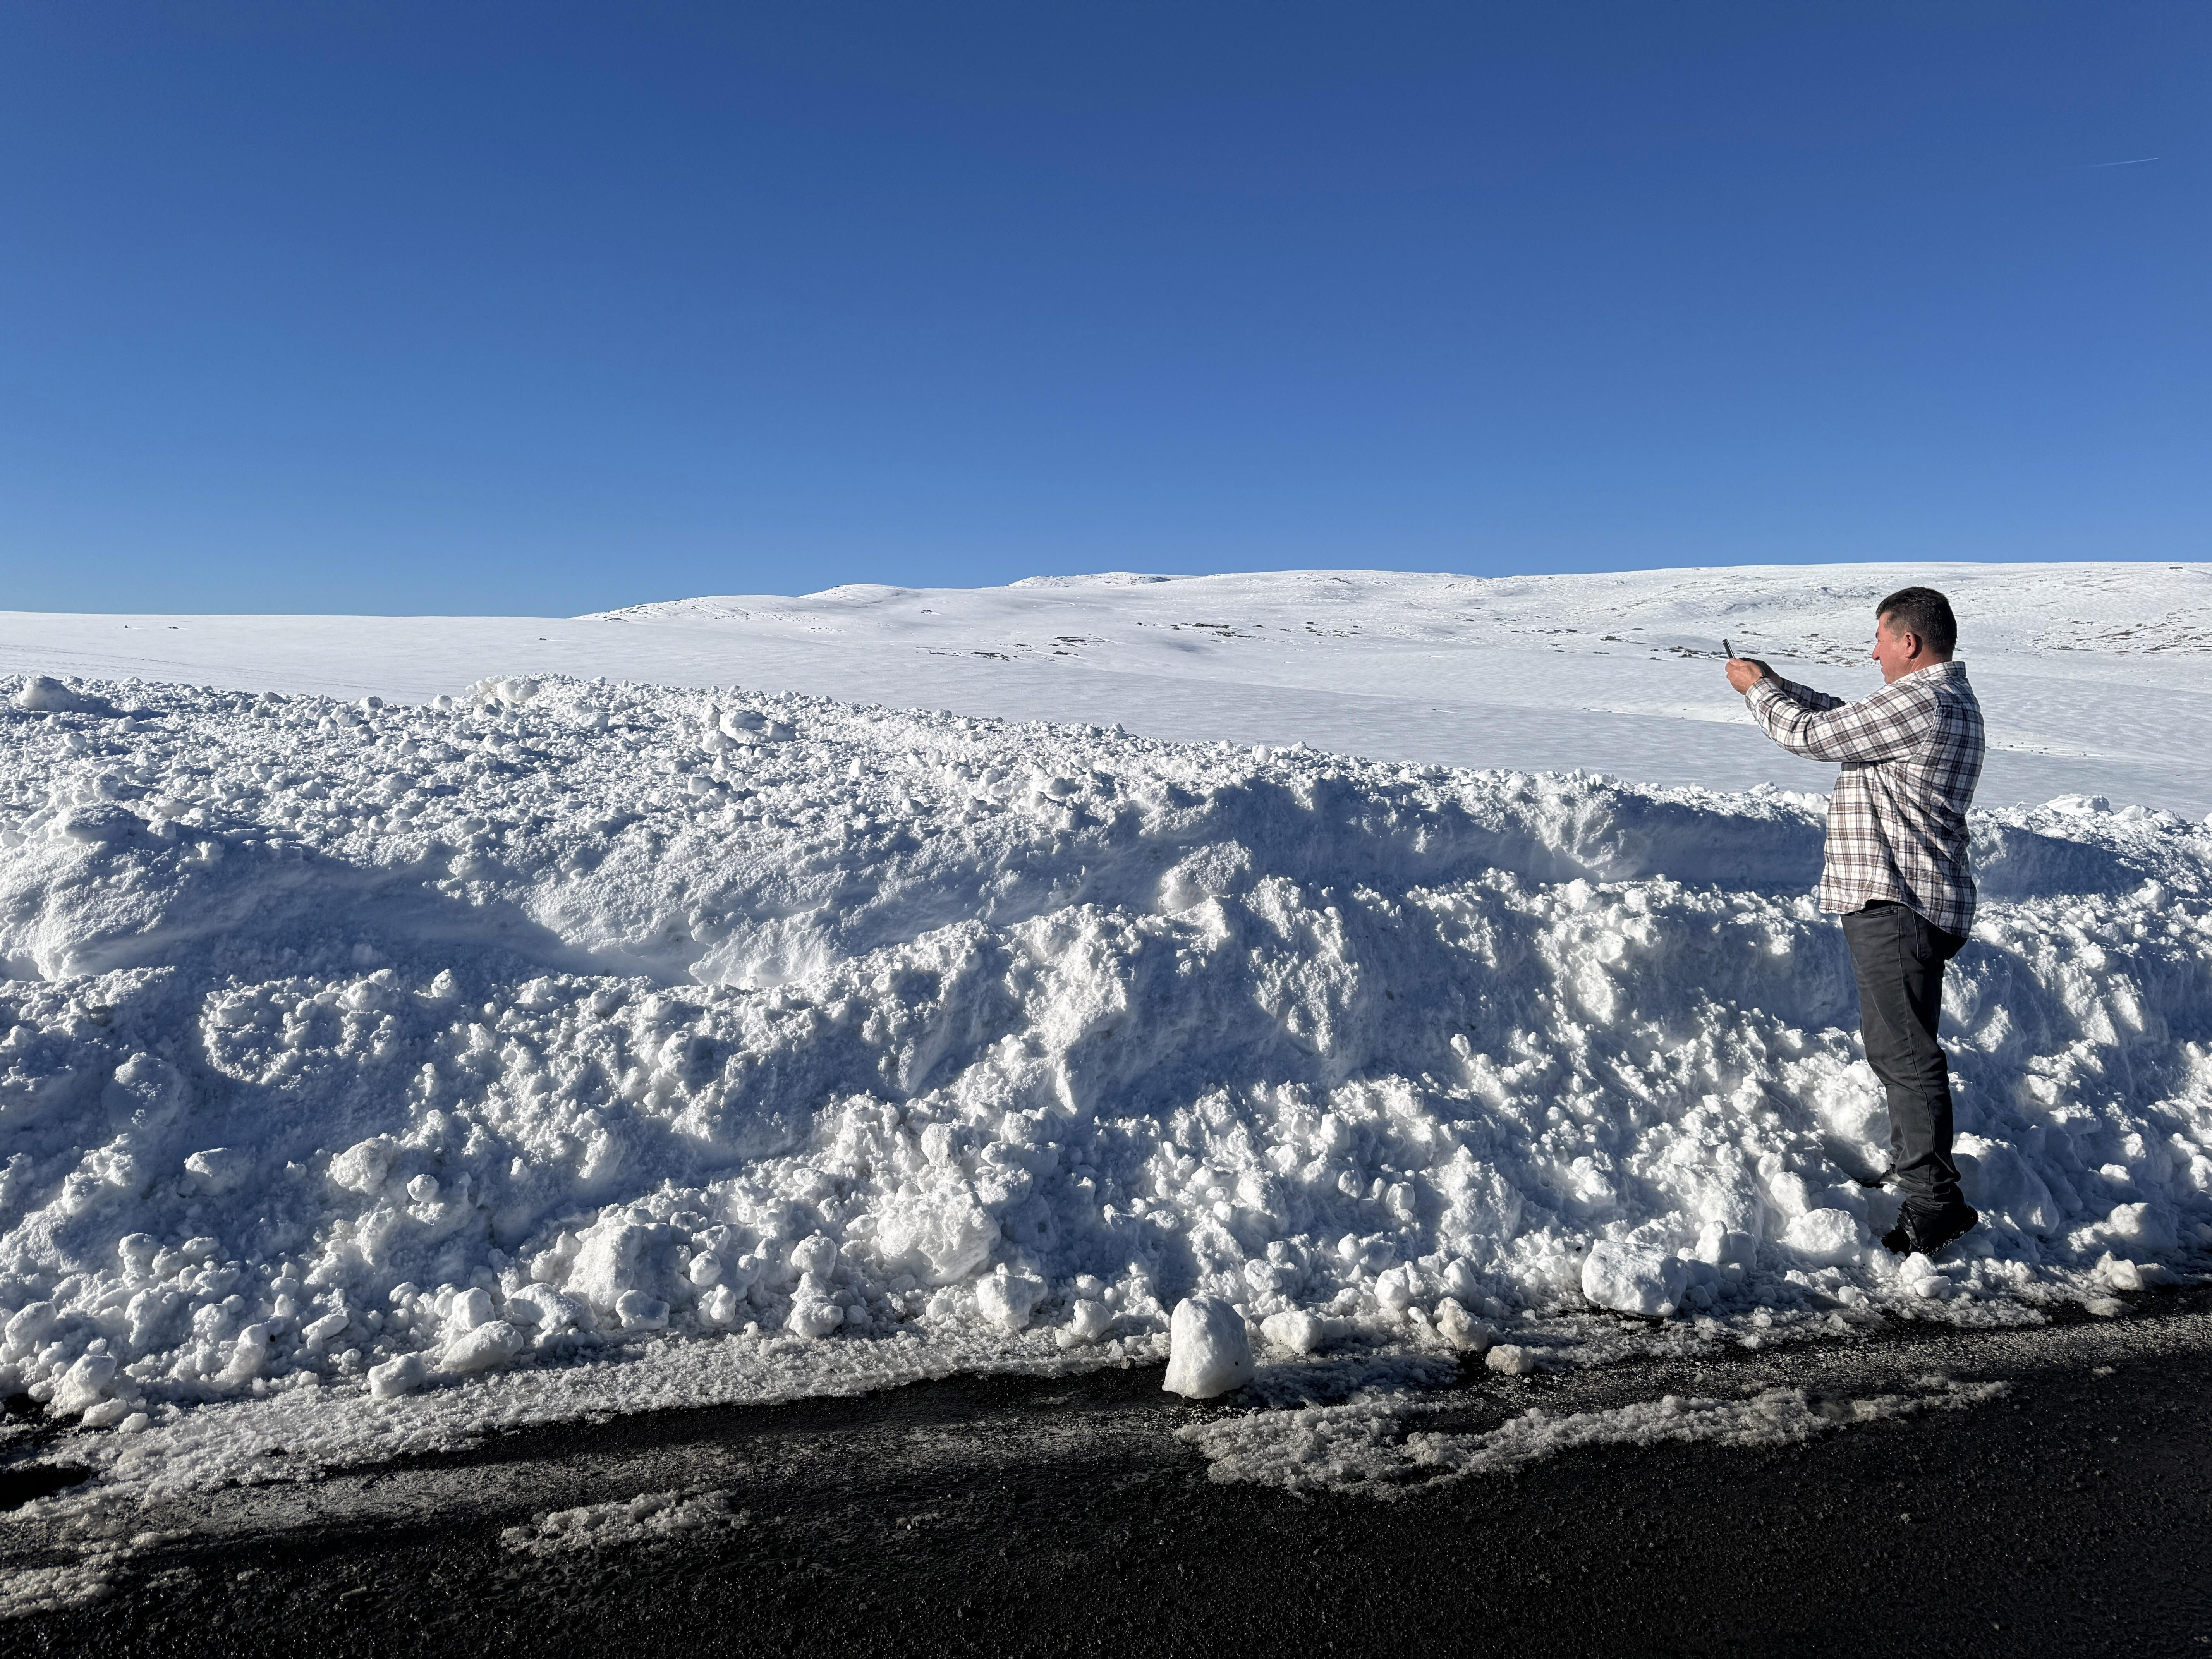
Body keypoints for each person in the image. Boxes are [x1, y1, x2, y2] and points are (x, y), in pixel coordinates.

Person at [1724, 586, 1986, 1258]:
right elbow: (1848, 718)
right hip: (1913, 898)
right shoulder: (1941, 700)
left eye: (1879, 639)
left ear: (1910, 642)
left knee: (1903, 1051)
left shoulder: (1923, 701)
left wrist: (1758, 693)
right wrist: (1780, 683)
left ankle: (1935, 1204)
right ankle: (1923, 1180)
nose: (1872, 652)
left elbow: (1811, 736)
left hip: (1895, 900)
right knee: (1904, 1045)